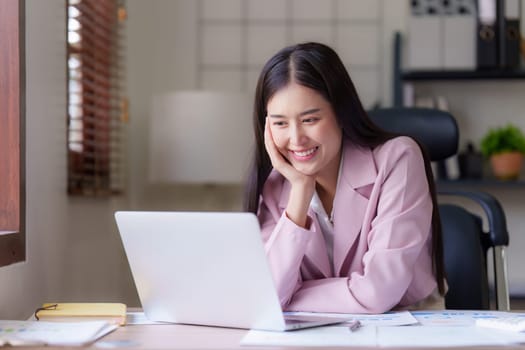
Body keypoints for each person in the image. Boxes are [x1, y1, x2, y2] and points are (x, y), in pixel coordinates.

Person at [243, 42, 446, 314]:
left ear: (340, 112)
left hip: (407, 325)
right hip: (320, 332)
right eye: (280, 123)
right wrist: (301, 191)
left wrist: (290, 298)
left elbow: (378, 293)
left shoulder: (398, 159)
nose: (296, 139)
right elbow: (265, 296)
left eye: (310, 119)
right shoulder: (273, 186)